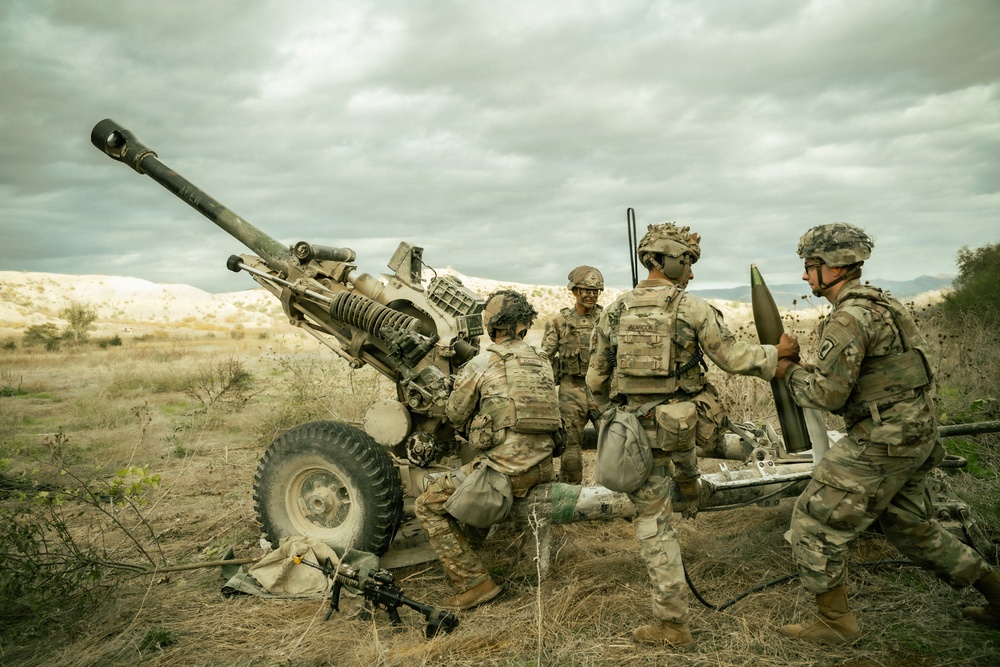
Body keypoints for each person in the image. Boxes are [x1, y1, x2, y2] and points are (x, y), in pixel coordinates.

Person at [775, 222, 1000, 644]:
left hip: (882, 439)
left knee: (813, 521)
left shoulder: (847, 318)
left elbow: (827, 394)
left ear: (833, 266)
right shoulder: (886, 305)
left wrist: (787, 370)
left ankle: (835, 624)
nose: (805, 276)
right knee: (913, 528)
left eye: (810, 266)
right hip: (915, 431)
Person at [586, 222, 796, 646]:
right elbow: (734, 359)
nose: (692, 273)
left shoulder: (615, 310)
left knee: (652, 522)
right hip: (683, 428)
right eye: (688, 262)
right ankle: (688, 482)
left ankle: (672, 622)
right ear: (666, 260)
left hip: (638, 434)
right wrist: (778, 354)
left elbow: (594, 380)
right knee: (679, 463)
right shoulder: (694, 308)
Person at [414, 289, 561, 610]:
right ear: (523, 325)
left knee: (427, 504)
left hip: (508, 473)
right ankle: (473, 556)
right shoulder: (543, 361)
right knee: (475, 475)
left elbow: (454, 413)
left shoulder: (482, 363)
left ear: (491, 326)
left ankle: (474, 583)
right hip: (543, 467)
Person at [541, 265, 605, 483]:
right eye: (586, 290)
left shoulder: (607, 319)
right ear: (575, 291)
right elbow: (545, 358)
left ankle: (616, 491)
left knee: (615, 442)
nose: (591, 295)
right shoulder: (559, 322)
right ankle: (571, 493)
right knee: (571, 445)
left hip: (601, 389)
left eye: (595, 291)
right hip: (571, 389)